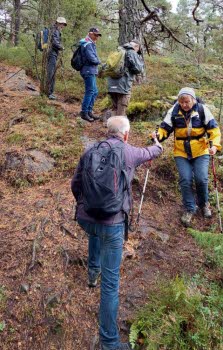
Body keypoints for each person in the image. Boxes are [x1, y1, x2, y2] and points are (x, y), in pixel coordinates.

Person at [71, 116, 163, 350]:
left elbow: (75, 184)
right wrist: (158, 144)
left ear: (107, 132)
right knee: (111, 286)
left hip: (85, 219)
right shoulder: (129, 152)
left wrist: (86, 206)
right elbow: (150, 152)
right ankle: (109, 343)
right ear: (126, 134)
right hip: (113, 224)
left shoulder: (91, 149)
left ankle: (93, 272)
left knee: (95, 233)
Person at [156, 87, 221, 227]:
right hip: (181, 151)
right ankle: (190, 208)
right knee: (185, 179)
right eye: (181, 102)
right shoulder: (174, 111)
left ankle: (204, 204)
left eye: (187, 101)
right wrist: (158, 136)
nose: (184, 104)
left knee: (201, 179)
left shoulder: (202, 110)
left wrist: (215, 146)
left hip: (201, 150)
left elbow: (214, 130)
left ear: (193, 99)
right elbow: (164, 128)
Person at [108, 39, 144, 117]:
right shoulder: (131, 52)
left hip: (112, 83)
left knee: (114, 108)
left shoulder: (119, 50)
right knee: (121, 111)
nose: (137, 51)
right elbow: (138, 69)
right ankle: (118, 128)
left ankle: (111, 127)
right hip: (123, 85)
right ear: (136, 46)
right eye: (138, 50)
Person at [79, 27, 102, 122]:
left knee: (94, 91)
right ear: (90, 34)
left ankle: (89, 111)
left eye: (98, 35)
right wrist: (99, 61)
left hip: (91, 70)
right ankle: (84, 112)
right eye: (95, 35)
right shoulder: (87, 44)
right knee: (90, 91)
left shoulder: (91, 44)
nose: (97, 37)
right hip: (88, 70)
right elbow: (91, 58)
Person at [47, 17, 67, 100]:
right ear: (58, 23)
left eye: (63, 24)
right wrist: (61, 47)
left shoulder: (56, 30)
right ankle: (49, 93)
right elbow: (55, 42)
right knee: (51, 73)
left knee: (52, 73)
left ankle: (50, 92)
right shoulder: (54, 30)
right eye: (62, 24)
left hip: (53, 53)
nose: (63, 26)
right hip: (52, 53)